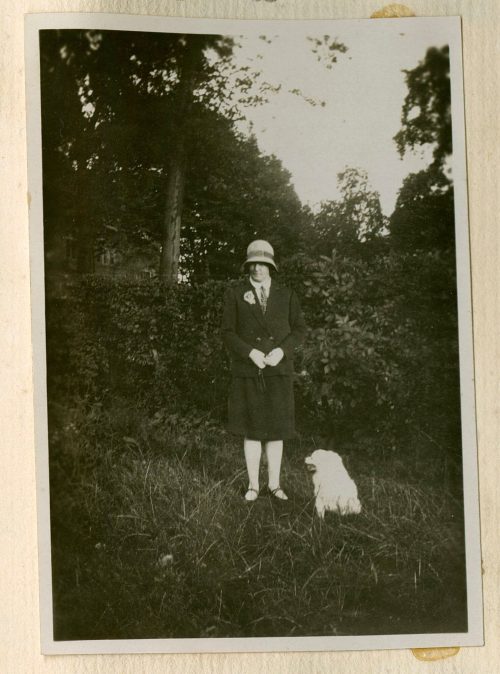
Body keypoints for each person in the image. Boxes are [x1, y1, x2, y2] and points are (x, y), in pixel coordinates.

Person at [221, 240, 307, 502]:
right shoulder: (234, 293)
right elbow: (227, 333)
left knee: (277, 430)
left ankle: (274, 484)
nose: (258, 268)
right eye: (253, 264)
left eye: (263, 264)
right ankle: (253, 486)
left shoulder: (287, 295)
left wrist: (282, 352)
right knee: (252, 430)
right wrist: (251, 353)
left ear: (272, 266)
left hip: (278, 371)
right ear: (248, 266)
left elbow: (299, 331)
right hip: (249, 372)